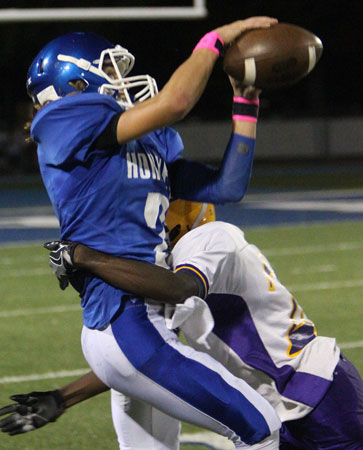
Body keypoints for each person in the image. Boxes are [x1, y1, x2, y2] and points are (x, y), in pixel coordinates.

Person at [9, 17, 283, 449]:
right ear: (76, 85)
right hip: (128, 322)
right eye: (110, 70)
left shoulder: (139, 144)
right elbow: (176, 101)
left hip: (139, 327)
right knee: (261, 425)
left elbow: (228, 187)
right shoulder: (63, 121)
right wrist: (211, 43)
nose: (123, 80)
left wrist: (245, 103)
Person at [1, 201, 362, 449]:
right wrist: (64, 397)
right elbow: (148, 355)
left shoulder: (208, 239)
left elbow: (179, 288)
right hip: (278, 402)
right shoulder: (181, 260)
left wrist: (85, 257)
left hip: (316, 392)